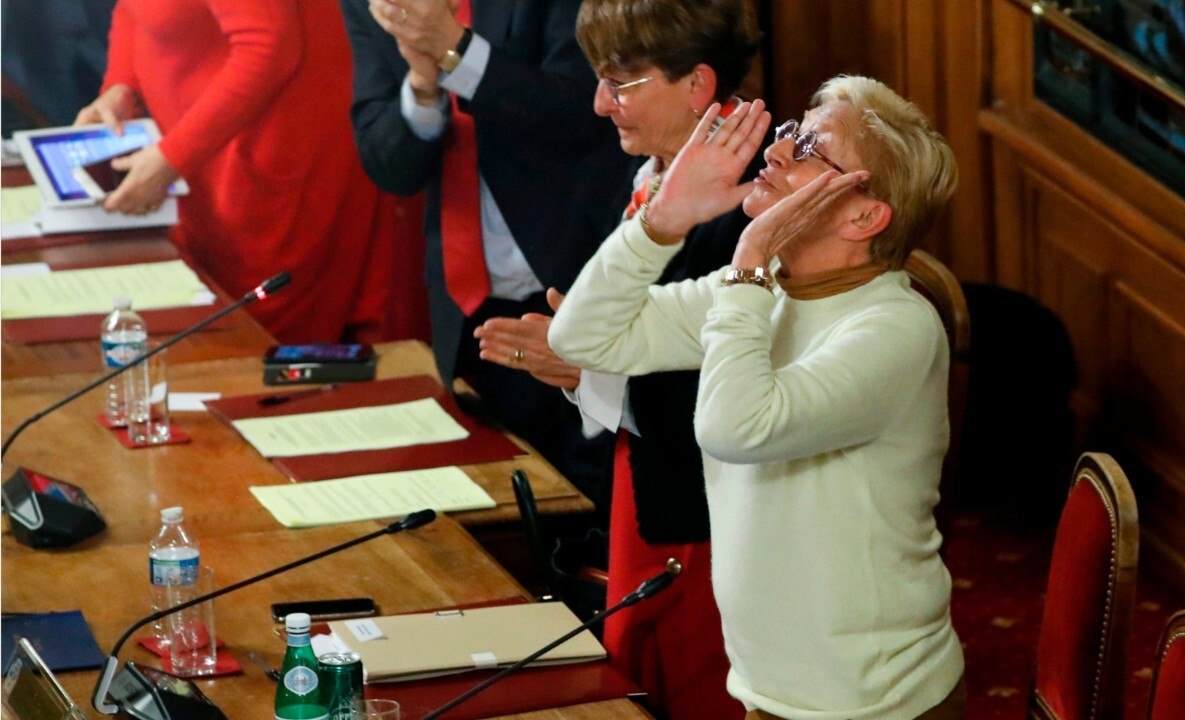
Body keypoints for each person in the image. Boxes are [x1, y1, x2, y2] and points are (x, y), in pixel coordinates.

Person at [548, 77, 966, 720]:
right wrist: (664, 221)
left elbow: (733, 429)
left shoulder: (894, 329)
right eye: (788, 131)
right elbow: (581, 335)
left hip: (871, 701)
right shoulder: (762, 288)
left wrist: (747, 263)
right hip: (769, 688)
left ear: (864, 215)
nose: (775, 150)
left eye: (810, 146)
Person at [472, 1, 759, 718]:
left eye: (622, 84)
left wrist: (586, 369)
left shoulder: (749, 208)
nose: (600, 106)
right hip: (641, 486)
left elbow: (734, 396)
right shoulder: (638, 175)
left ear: (697, 85)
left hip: (711, 513)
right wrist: (584, 366)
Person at [338, 0, 631, 502]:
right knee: (503, 513)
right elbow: (389, 166)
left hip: (578, 282)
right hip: (466, 305)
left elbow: (585, 110)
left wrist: (457, 51)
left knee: (592, 511)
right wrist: (423, 89)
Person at [75, 0, 394, 343]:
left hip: (274, 143)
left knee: (256, 344)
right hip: (205, 146)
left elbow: (268, 46)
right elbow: (133, 10)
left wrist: (174, 156)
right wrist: (122, 86)